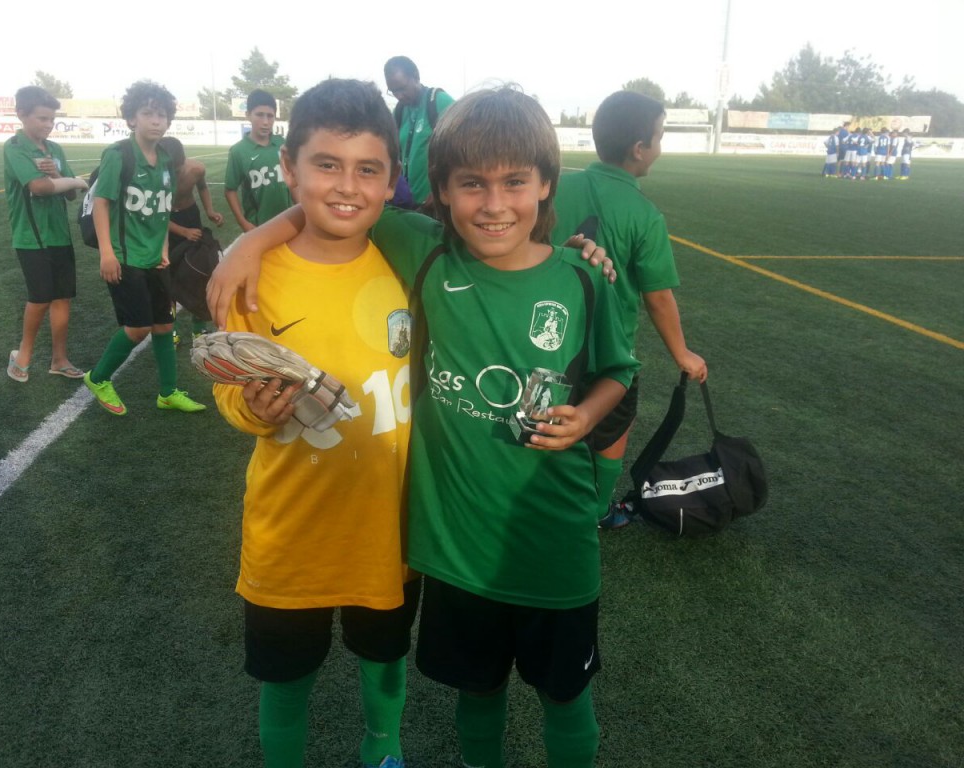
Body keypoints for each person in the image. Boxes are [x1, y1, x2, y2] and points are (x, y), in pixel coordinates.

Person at [208, 86, 638, 768]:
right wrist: (252, 239)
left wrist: (585, 414)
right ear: (439, 190)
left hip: (494, 542)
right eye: (471, 184)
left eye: (515, 183)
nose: (494, 204)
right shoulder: (417, 253)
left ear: (546, 183)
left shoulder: (562, 275)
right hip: (406, 546)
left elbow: (619, 371)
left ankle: (392, 749)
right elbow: (336, 205)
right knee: (463, 689)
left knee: (547, 693)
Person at [212, 78, 418, 768]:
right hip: (290, 528)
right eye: (326, 164)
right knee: (286, 677)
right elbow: (230, 384)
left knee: (384, 661)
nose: (347, 187)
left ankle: (381, 752)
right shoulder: (255, 275)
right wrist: (253, 409)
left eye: (368, 169)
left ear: (391, 181)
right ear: (289, 169)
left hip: (387, 525)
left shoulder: (406, 260)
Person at [551, 90, 707, 529]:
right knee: (611, 430)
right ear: (640, 149)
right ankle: (598, 510)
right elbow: (658, 296)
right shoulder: (644, 214)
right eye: (659, 136)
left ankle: (538, 502)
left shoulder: (556, 184)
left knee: (548, 418)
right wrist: (683, 354)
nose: (660, 146)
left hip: (547, 334)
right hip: (608, 350)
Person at [83, 80, 205, 416]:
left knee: (165, 325)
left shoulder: (166, 159)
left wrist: (164, 247)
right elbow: (102, 204)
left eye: (161, 114)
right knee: (137, 328)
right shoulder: (118, 154)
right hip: (125, 257)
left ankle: (167, 392)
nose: (155, 120)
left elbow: (162, 208)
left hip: (155, 257)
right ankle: (98, 377)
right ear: (132, 118)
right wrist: (107, 253)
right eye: (147, 113)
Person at [3, 85, 89, 382]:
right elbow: (37, 189)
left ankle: (59, 359)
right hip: (31, 237)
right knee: (40, 298)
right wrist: (75, 181)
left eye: (51, 120)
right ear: (22, 115)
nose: (47, 125)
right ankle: (23, 356)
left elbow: (69, 197)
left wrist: (58, 175)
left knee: (62, 297)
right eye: (41, 118)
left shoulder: (56, 150)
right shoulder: (15, 147)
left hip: (59, 236)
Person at [159, 135, 224, 341]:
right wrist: (183, 231)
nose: (173, 175)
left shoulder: (196, 169)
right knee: (166, 276)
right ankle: (172, 331)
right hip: (164, 223)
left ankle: (199, 327)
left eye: (176, 171)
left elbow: (202, 187)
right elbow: (155, 215)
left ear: (183, 162)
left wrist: (210, 210)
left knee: (199, 273)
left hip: (190, 216)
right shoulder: (153, 176)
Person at [383, 56, 454, 210]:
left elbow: (461, 150)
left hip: (435, 204)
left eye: (402, 88)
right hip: (407, 203)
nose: (399, 96)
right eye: (394, 91)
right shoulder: (400, 111)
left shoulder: (438, 101)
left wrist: (441, 190)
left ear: (415, 76)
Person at [224, 89, 293, 232]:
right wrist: (242, 222)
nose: (266, 122)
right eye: (260, 115)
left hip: (288, 221)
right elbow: (230, 190)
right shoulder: (238, 151)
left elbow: (293, 182)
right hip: (258, 225)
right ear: (248, 115)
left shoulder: (282, 144)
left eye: (270, 116)